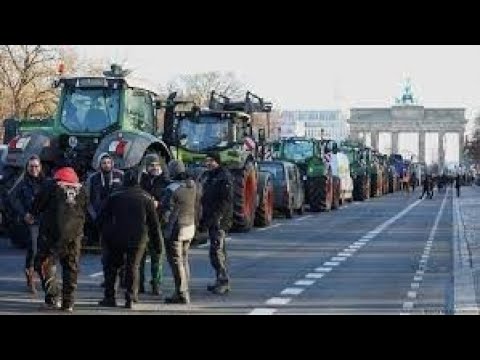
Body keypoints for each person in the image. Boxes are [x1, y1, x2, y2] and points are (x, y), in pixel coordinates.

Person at [97, 167, 163, 309]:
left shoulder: (115, 195)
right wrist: (158, 245)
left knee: (112, 267)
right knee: (133, 267)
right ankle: (130, 297)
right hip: (138, 237)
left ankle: (110, 297)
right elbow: (154, 224)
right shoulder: (146, 197)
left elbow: (101, 217)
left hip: (116, 236)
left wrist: (104, 233)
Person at [29, 167, 88, 312]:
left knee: (43, 263)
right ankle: (68, 303)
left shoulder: (51, 186)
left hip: (52, 235)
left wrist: (31, 214)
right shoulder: (82, 190)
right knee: (71, 267)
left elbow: (37, 205)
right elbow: (85, 208)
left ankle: (52, 299)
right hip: (75, 235)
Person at [8, 155, 48, 293]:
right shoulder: (23, 182)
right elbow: (12, 198)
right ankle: (30, 276)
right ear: (27, 167)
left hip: (45, 220)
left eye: (36, 166)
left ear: (40, 167)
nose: (34, 169)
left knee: (45, 248)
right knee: (34, 248)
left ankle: (44, 275)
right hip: (31, 220)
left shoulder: (46, 182)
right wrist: (23, 213)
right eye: (31, 166)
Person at [85, 153, 124, 287]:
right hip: (102, 220)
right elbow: (88, 200)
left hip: (119, 220)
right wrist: (94, 216)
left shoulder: (120, 176)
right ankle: (108, 278)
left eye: (108, 162)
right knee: (106, 253)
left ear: (112, 163)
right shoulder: (93, 179)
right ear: (99, 165)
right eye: (104, 163)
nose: (106, 165)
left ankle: (122, 279)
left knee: (120, 251)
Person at [199, 152, 233, 295]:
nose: (208, 163)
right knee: (216, 252)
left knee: (217, 252)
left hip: (219, 220)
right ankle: (219, 280)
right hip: (211, 219)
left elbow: (225, 202)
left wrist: (216, 218)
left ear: (217, 161)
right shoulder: (209, 176)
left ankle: (224, 281)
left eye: (211, 161)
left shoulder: (223, 177)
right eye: (207, 161)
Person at [163, 160, 197, 304]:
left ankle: (181, 293)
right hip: (190, 225)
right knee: (184, 259)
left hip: (177, 227)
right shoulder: (192, 185)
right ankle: (185, 288)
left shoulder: (172, 188)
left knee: (176, 261)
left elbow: (166, 210)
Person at [139, 154, 170, 295]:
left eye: (156, 165)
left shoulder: (165, 182)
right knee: (140, 256)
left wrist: (159, 204)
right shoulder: (141, 181)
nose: (154, 168)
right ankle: (139, 283)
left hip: (158, 224)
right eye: (151, 165)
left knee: (157, 255)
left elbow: (170, 203)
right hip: (143, 224)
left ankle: (156, 284)